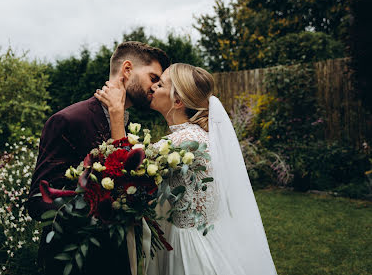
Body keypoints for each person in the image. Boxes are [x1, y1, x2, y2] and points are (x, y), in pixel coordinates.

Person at [95, 63, 278, 275]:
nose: (153, 87)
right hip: (203, 236)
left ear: (178, 101)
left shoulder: (185, 140)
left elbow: (129, 175)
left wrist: (116, 113)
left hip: (191, 248)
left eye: (161, 84)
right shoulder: (192, 135)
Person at [26, 41, 170, 275]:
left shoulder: (128, 126)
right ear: (127, 69)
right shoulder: (68, 120)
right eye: (153, 77)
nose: (155, 87)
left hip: (117, 257)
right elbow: (37, 202)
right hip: (74, 261)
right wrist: (95, 205)